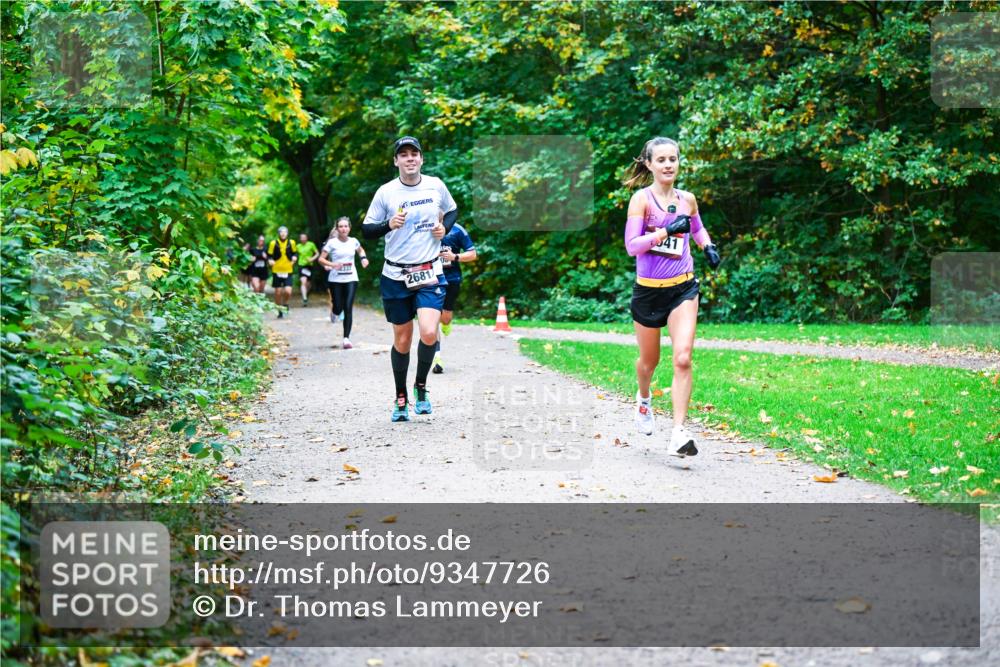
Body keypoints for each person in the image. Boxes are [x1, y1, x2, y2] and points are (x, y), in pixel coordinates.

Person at [622, 137, 722, 458]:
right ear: (649, 164)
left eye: (673, 159)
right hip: (648, 292)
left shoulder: (687, 199)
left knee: (682, 357)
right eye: (661, 160)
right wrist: (665, 231)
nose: (668, 165)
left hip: (683, 287)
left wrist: (707, 246)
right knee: (649, 362)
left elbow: (697, 228)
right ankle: (644, 399)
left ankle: (679, 432)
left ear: (679, 163)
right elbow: (632, 246)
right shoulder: (642, 200)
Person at [362, 136, 458, 422]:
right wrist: (387, 224)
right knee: (402, 341)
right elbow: (367, 230)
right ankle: (400, 396)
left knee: (429, 332)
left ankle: (421, 388)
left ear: (421, 158)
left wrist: (444, 227)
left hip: (430, 271)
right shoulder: (386, 192)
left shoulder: (436, 185)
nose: (409, 158)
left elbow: (452, 210)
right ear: (396, 161)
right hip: (395, 274)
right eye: (403, 155)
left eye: (414, 153)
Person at [318, 216, 369, 349]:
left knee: (348, 307)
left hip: (351, 278)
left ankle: (346, 338)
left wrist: (363, 258)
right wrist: (333, 264)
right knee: (338, 307)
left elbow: (360, 250)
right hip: (335, 280)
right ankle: (334, 312)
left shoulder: (354, 241)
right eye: (341, 226)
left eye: (346, 226)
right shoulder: (332, 243)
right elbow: (321, 259)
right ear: (337, 228)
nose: (343, 228)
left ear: (349, 228)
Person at [433, 222, 477, 373]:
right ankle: (437, 358)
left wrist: (455, 256)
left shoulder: (457, 230)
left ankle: (445, 323)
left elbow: (472, 254)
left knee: (445, 318)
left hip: (451, 279)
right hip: (430, 279)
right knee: (431, 318)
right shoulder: (423, 227)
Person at [267, 226, 298, 318]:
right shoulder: (273, 243)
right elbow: (269, 255)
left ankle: (285, 304)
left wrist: (295, 258)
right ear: (279, 233)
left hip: (288, 270)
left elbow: (295, 253)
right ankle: (279, 309)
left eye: (285, 232)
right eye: (281, 232)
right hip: (277, 270)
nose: (283, 234)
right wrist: (270, 260)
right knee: (278, 291)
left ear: (287, 233)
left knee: (288, 291)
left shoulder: (291, 242)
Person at [296, 232, 319, 306]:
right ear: (300, 239)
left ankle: (306, 294)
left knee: (308, 284)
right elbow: (293, 254)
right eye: (301, 238)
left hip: (309, 266)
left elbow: (317, 253)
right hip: (301, 265)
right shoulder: (298, 246)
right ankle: (304, 298)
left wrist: (312, 259)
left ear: (307, 238)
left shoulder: (311, 244)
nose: (303, 239)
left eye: (304, 237)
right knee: (303, 282)